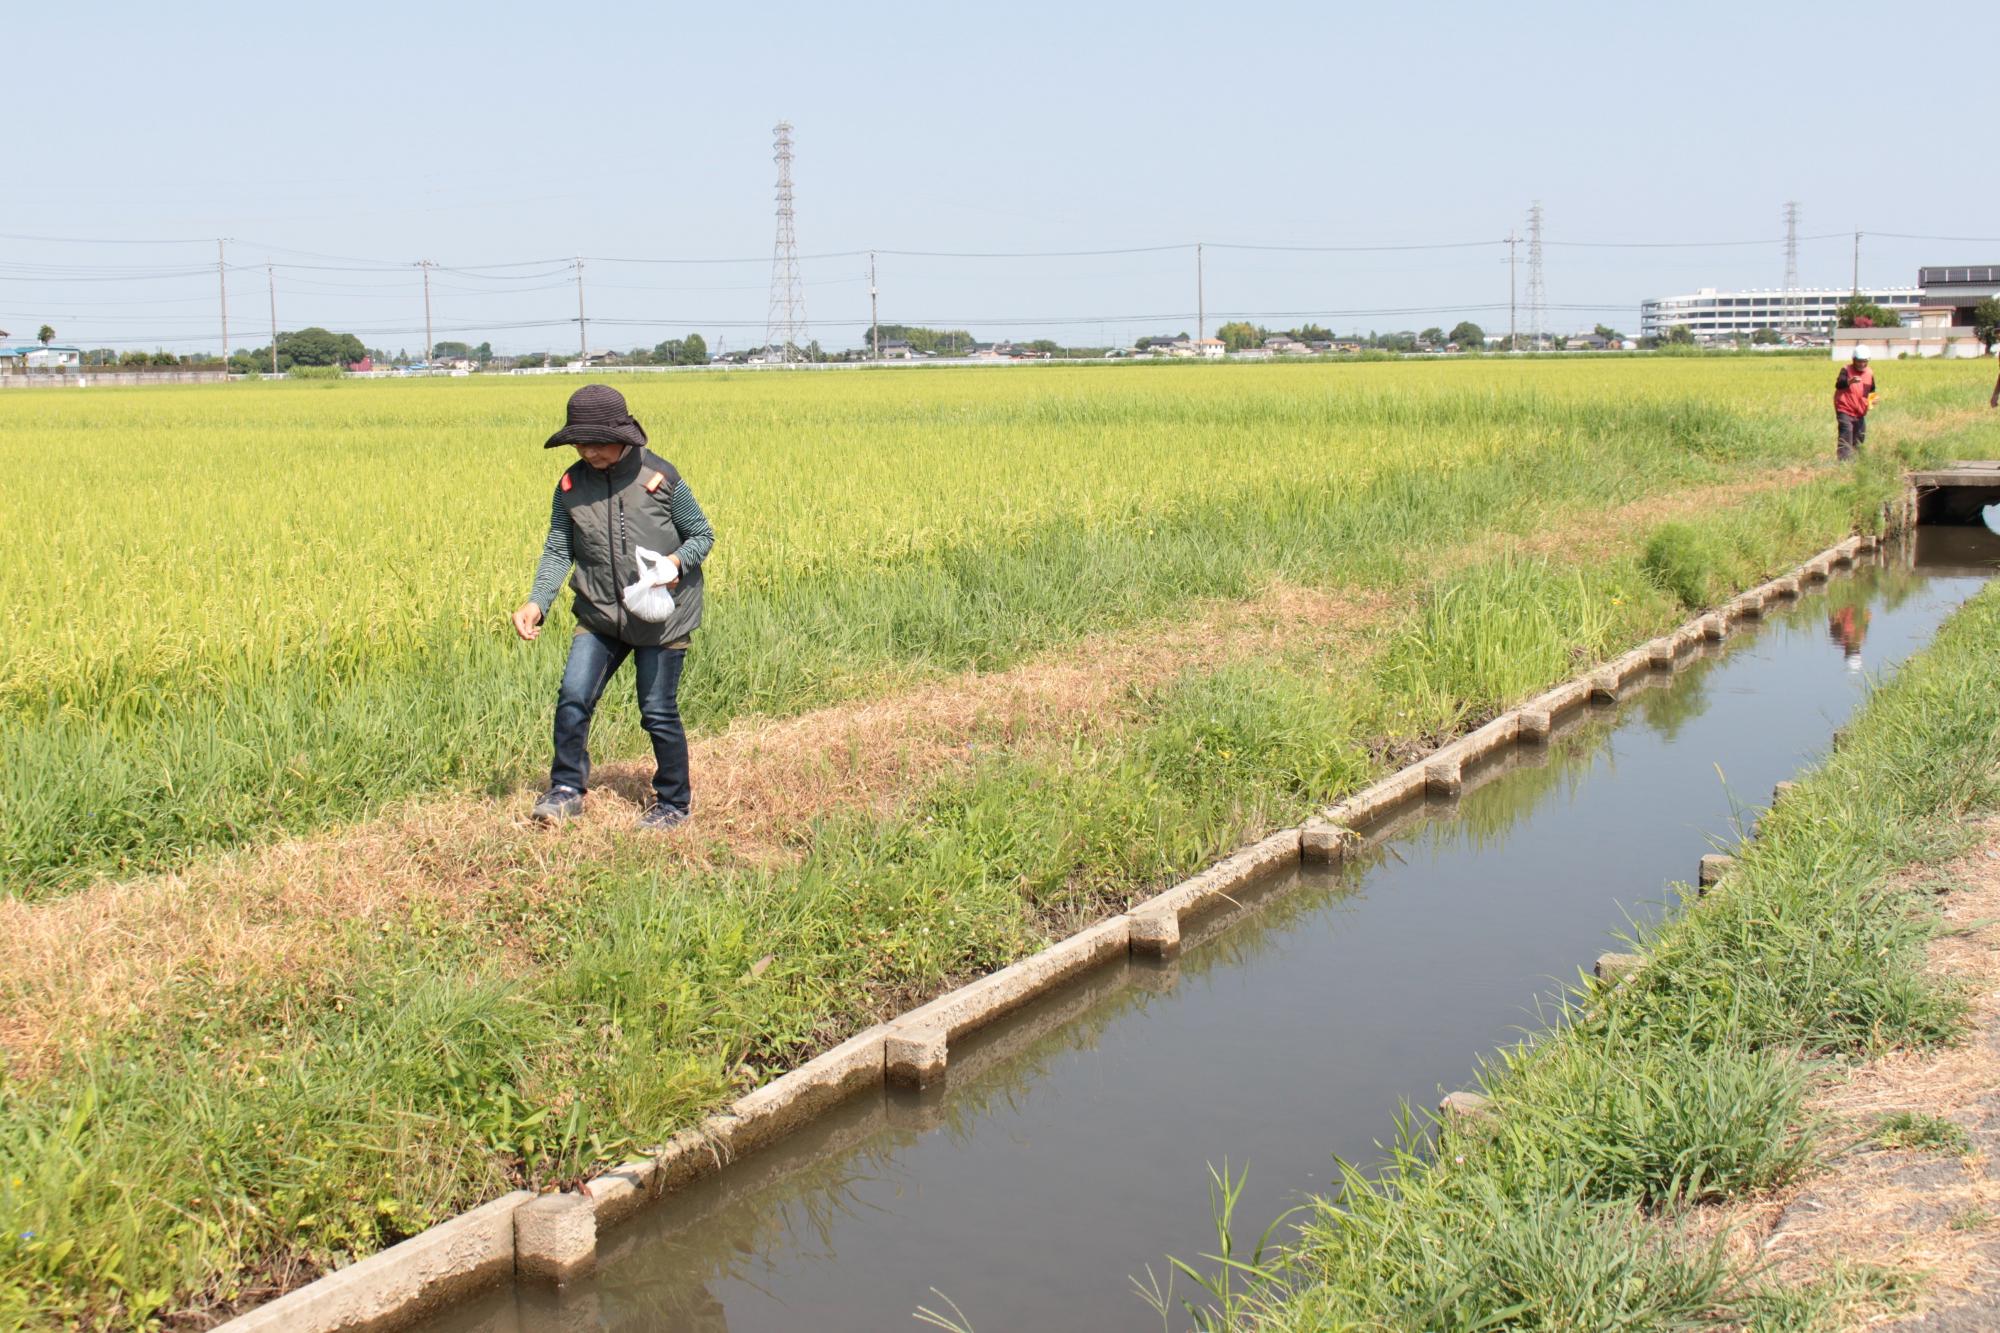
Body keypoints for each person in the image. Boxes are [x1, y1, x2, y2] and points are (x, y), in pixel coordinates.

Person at [512, 384, 715, 828]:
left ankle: (673, 804)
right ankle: (565, 789)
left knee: (657, 710)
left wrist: (676, 562)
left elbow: (703, 534)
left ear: (622, 436)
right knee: (573, 697)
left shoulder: (660, 479)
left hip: (663, 615)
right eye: (579, 442)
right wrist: (537, 601)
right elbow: (558, 548)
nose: (587, 452)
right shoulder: (570, 485)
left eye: (595, 442)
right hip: (600, 611)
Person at [1834, 345, 1876, 462]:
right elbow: (1839, 384)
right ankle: (1844, 462)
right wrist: (1850, 381)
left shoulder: (1869, 373)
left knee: (1860, 435)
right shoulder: (1846, 370)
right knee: (1846, 431)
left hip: (1859, 411)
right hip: (1845, 408)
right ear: (1854, 360)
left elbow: (1872, 390)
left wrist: (1872, 401)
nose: (1862, 364)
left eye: (1864, 361)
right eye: (1859, 361)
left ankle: (1857, 461)